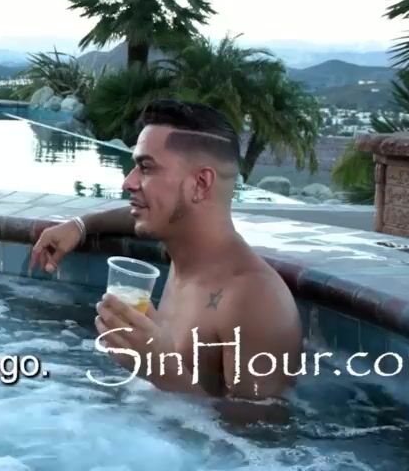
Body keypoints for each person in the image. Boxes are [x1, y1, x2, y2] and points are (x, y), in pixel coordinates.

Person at [31, 99, 302, 400]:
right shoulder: (185, 249)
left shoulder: (254, 301)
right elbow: (151, 213)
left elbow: (262, 426)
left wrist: (160, 369)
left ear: (200, 184)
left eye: (146, 168)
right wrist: (80, 226)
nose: (128, 182)